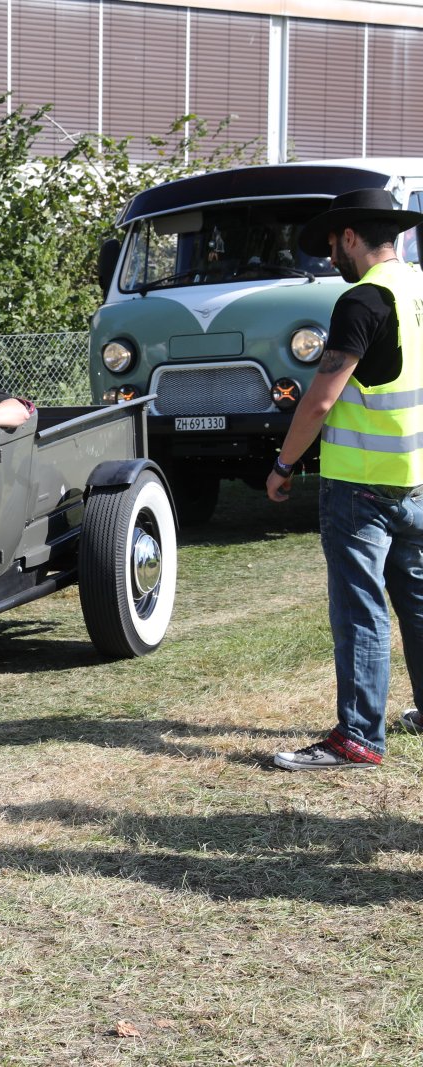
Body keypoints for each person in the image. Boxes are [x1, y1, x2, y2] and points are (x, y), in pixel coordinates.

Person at [267, 188, 423, 771]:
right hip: (415, 476)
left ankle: (358, 736)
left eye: (333, 244)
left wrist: (283, 465)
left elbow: (320, 400)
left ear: (351, 237)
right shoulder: (417, 288)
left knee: (360, 610)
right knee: (418, 601)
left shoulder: (362, 300)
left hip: (360, 484)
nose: (331, 255)